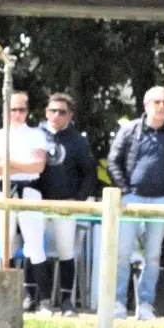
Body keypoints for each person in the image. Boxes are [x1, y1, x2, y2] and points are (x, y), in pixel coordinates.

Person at [106, 86, 164, 320]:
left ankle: (146, 304)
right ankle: (118, 303)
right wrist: (126, 191)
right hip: (130, 200)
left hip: (160, 202)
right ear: (146, 104)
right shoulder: (129, 130)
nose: (160, 106)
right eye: (156, 102)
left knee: (153, 255)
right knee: (122, 253)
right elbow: (113, 162)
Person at [0, 90, 50, 311]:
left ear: (28, 111)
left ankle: (42, 300)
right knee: (5, 247)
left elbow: (38, 166)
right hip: (2, 192)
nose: (17, 114)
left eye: (21, 109)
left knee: (35, 247)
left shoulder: (36, 135)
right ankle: (8, 301)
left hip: (29, 191)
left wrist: (9, 161)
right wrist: (23, 163)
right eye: (13, 109)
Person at [34, 92, 96, 315]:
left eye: (62, 112)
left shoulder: (78, 141)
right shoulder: (35, 135)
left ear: (70, 115)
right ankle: (38, 299)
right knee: (34, 249)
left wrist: (78, 200)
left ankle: (67, 301)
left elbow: (90, 174)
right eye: (52, 110)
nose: (56, 115)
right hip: (37, 203)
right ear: (45, 112)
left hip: (65, 204)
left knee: (66, 251)